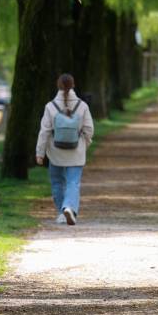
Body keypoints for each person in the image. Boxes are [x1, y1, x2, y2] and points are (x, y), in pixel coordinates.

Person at [36, 74, 94, 225]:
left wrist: (40, 153)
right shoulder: (82, 106)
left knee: (57, 182)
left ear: (58, 86)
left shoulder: (50, 106)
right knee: (73, 183)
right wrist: (84, 144)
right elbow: (89, 129)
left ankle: (62, 213)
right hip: (76, 152)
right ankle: (69, 207)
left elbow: (44, 131)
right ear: (73, 86)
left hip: (56, 152)